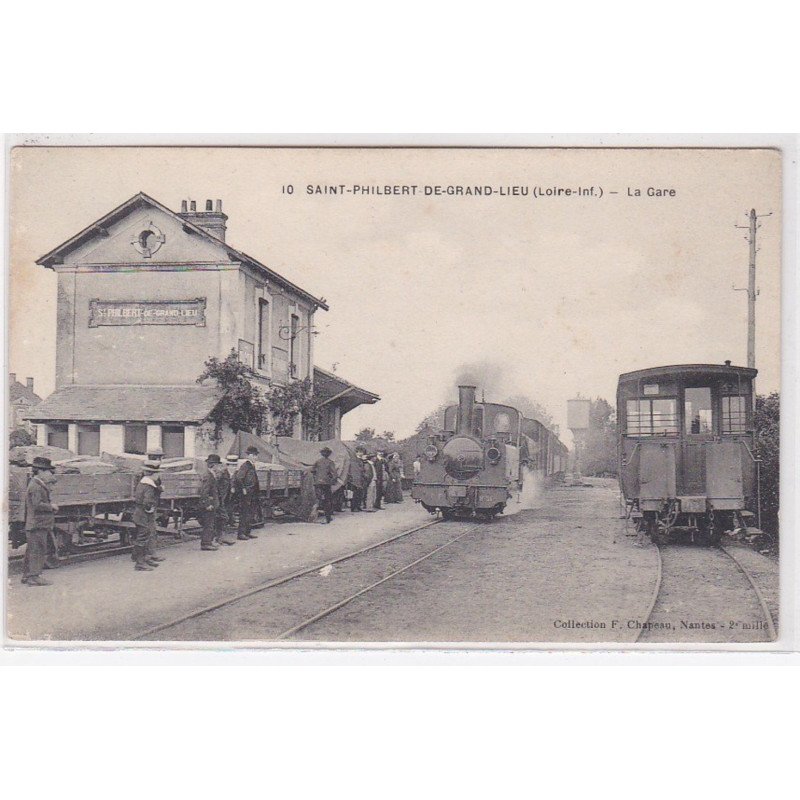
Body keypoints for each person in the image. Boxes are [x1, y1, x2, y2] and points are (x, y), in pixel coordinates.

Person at [22, 456, 59, 586]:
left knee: (32, 550)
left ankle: (27, 576)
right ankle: (34, 577)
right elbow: (37, 505)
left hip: (36, 523)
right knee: (38, 550)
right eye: (48, 471)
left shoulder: (36, 484)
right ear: (40, 471)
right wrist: (51, 507)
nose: (50, 474)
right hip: (38, 524)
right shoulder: (36, 486)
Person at [132, 460, 162, 571]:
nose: (159, 475)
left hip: (139, 513)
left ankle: (143, 559)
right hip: (143, 514)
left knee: (144, 535)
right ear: (153, 474)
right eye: (157, 473)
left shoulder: (142, 483)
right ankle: (140, 563)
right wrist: (151, 508)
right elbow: (147, 501)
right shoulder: (149, 486)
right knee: (143, 537)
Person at [233, 446, 260, 540]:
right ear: (250, 456)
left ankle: (247, 532)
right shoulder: (245, 465)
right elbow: (238, 478)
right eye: (255, 455)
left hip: (252, 493)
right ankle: (241, 534)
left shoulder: (251, 466)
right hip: (246, 494)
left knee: (250, 513)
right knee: (244, 513)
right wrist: (243, 489)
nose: (256, 458)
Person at [210, 454, 236, 546]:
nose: (233, 467)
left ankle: (219, 538)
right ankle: (216, 538)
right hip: (218, 500)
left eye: (235, 465)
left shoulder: (231, 474)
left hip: (224, 500)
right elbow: (215, 486)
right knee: (221, 518)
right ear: (227, 465)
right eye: (231, 465)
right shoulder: (222, 474)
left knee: (223, 518)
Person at [198, 455, 220, 551]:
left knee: (210, 523)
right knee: (208, 524)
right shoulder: (208, 475)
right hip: (209, 504)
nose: (218, 467)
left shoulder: (210, 474)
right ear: (213, 465)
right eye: (217, 465)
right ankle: (206, 543)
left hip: (212, 503)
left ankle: (208, 542)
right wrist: (207, 504)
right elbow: (204, 491)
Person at [312, 447, 339, 524]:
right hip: (326, 483)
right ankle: (328, 518)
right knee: (327, 500)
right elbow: (335, 474)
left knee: (318, 499)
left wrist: (316, 477)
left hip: (317, 483)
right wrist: (332, 481)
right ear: (329, 454)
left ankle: (314, 516)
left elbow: (312, 470)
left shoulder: (317, 461)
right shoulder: (330, 462)